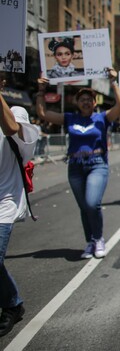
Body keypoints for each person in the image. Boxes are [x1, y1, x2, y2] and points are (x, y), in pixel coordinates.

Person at [36, 69, 120, 259]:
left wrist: (113, 82)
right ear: (77, 103)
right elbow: (42, 113)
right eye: (82, 99)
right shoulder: (69, 118)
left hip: (97, 165)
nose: (85, 101)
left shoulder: (102, 118)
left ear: (94, 103)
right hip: (75, 167)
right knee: (84, 207)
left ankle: (99, 238)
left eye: (89, 99)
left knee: (93, 203)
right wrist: (41, 90)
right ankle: (90, 242)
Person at [0, 83, 39, 337]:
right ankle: (13, 303)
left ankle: (12, 306)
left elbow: (12, 127)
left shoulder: (19, 123)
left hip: (4, 202)